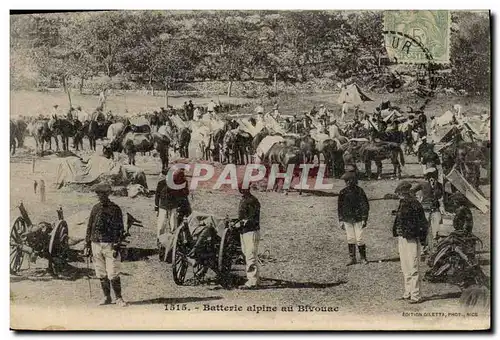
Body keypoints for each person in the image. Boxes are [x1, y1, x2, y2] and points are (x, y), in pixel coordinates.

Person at [84, 183, 128, 307]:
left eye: (103, 194)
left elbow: (120, 228)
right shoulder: (95, 208)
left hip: (110, 244)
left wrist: (117, 244)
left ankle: (119, 298)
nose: (100, 196)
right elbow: (90, 226)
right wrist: (87, 244)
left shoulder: (115, 209)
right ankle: (107, 297)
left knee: (113, 272)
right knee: (101, 272)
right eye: (98, 194)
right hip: (95, 243)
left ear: (108, 194)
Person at [392, 181, 428, 304]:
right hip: (402, 238)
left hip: (412, 239)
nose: (399, 196)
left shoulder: (414, 204)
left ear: (405, 193)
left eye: (400, 193)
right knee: (405, 267)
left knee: (413, 267)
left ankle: (416, 295)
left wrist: (423, 241)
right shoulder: (404, 203)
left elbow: (423, 224)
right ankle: (408, 292)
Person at [155, 168, 192, 261]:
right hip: (162, 206)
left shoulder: (177, 184)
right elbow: (157, 195)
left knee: (173, 226)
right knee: (161, 226)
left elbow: (183, 195)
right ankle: (160, 244)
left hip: (173, 207)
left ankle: (173, 245)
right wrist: (156, 207)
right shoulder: (161, 183)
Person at [338, 171, 370, 266]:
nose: (347, 183)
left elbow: (365, 206)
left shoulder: (360, 191)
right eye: (346, 181)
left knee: (360, 238)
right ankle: (352, 258)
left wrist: (364, 218)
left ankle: (363, 257)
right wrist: (341, 220)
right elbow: (340, 208)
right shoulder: (343, 192)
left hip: (358, 219)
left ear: (354, 181)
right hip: (347, 219)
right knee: (350, 238)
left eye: (349, 181)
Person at [411, 167, 445, 255]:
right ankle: (423, 248)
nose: (432, 177)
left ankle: (435, 248)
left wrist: (442, 206)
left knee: (437, 230)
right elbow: (412, 191)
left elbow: (441, 197)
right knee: (423, 229)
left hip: (435, 209)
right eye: (430, 175)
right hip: (425, 209)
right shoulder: (422, 184)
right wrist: (417, 200)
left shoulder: (440, 185)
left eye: (434, 175)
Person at [237, 182, 261, 289]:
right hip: (245, 232)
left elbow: (251, 219)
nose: (242, 190)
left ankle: (252, 282)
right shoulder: (244, 199)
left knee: (251, 256)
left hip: (251, 231)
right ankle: (253, 279)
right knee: (247, 255)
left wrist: (240, 223)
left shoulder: (252, 201)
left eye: (243, 188)